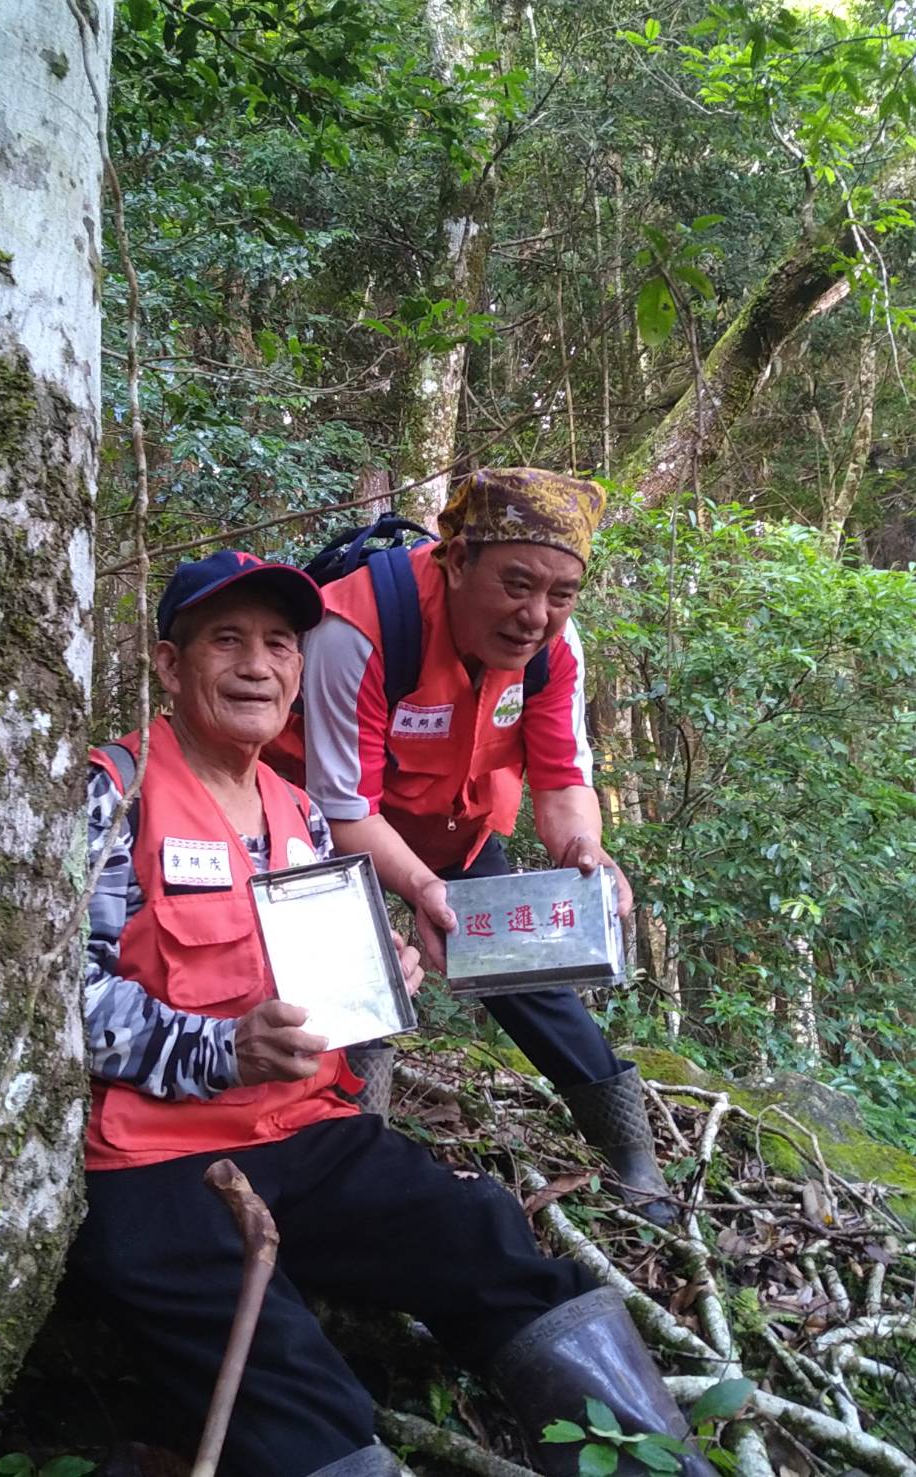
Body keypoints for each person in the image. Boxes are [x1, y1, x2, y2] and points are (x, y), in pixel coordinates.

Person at [71, 550, 712, 1477]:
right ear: (170, 665)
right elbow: (76, 1002)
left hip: (303, 1131)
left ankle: (657, 1463)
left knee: (485, 1237)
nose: (258, 664)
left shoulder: (302, 812)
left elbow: (325, 988)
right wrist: (220, 1050)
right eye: (227, 640)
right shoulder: (115, 795)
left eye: (280, 644)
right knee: (279, 1377)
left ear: (299, 665)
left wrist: (382, 983)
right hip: (157, 1160)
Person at [278, 466, 675, 1226]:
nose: (537, 616)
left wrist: (583, 851)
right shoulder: (354, 628)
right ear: (456, 559)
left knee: (523, 968)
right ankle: (357, 1161)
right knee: (357, 987)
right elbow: (342, 807)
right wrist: (418, 891)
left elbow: (563, 777)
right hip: (325, 831)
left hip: (455, 824)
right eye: (517, 584)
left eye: (562, 595)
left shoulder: (556, 650)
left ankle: (629, 1148)